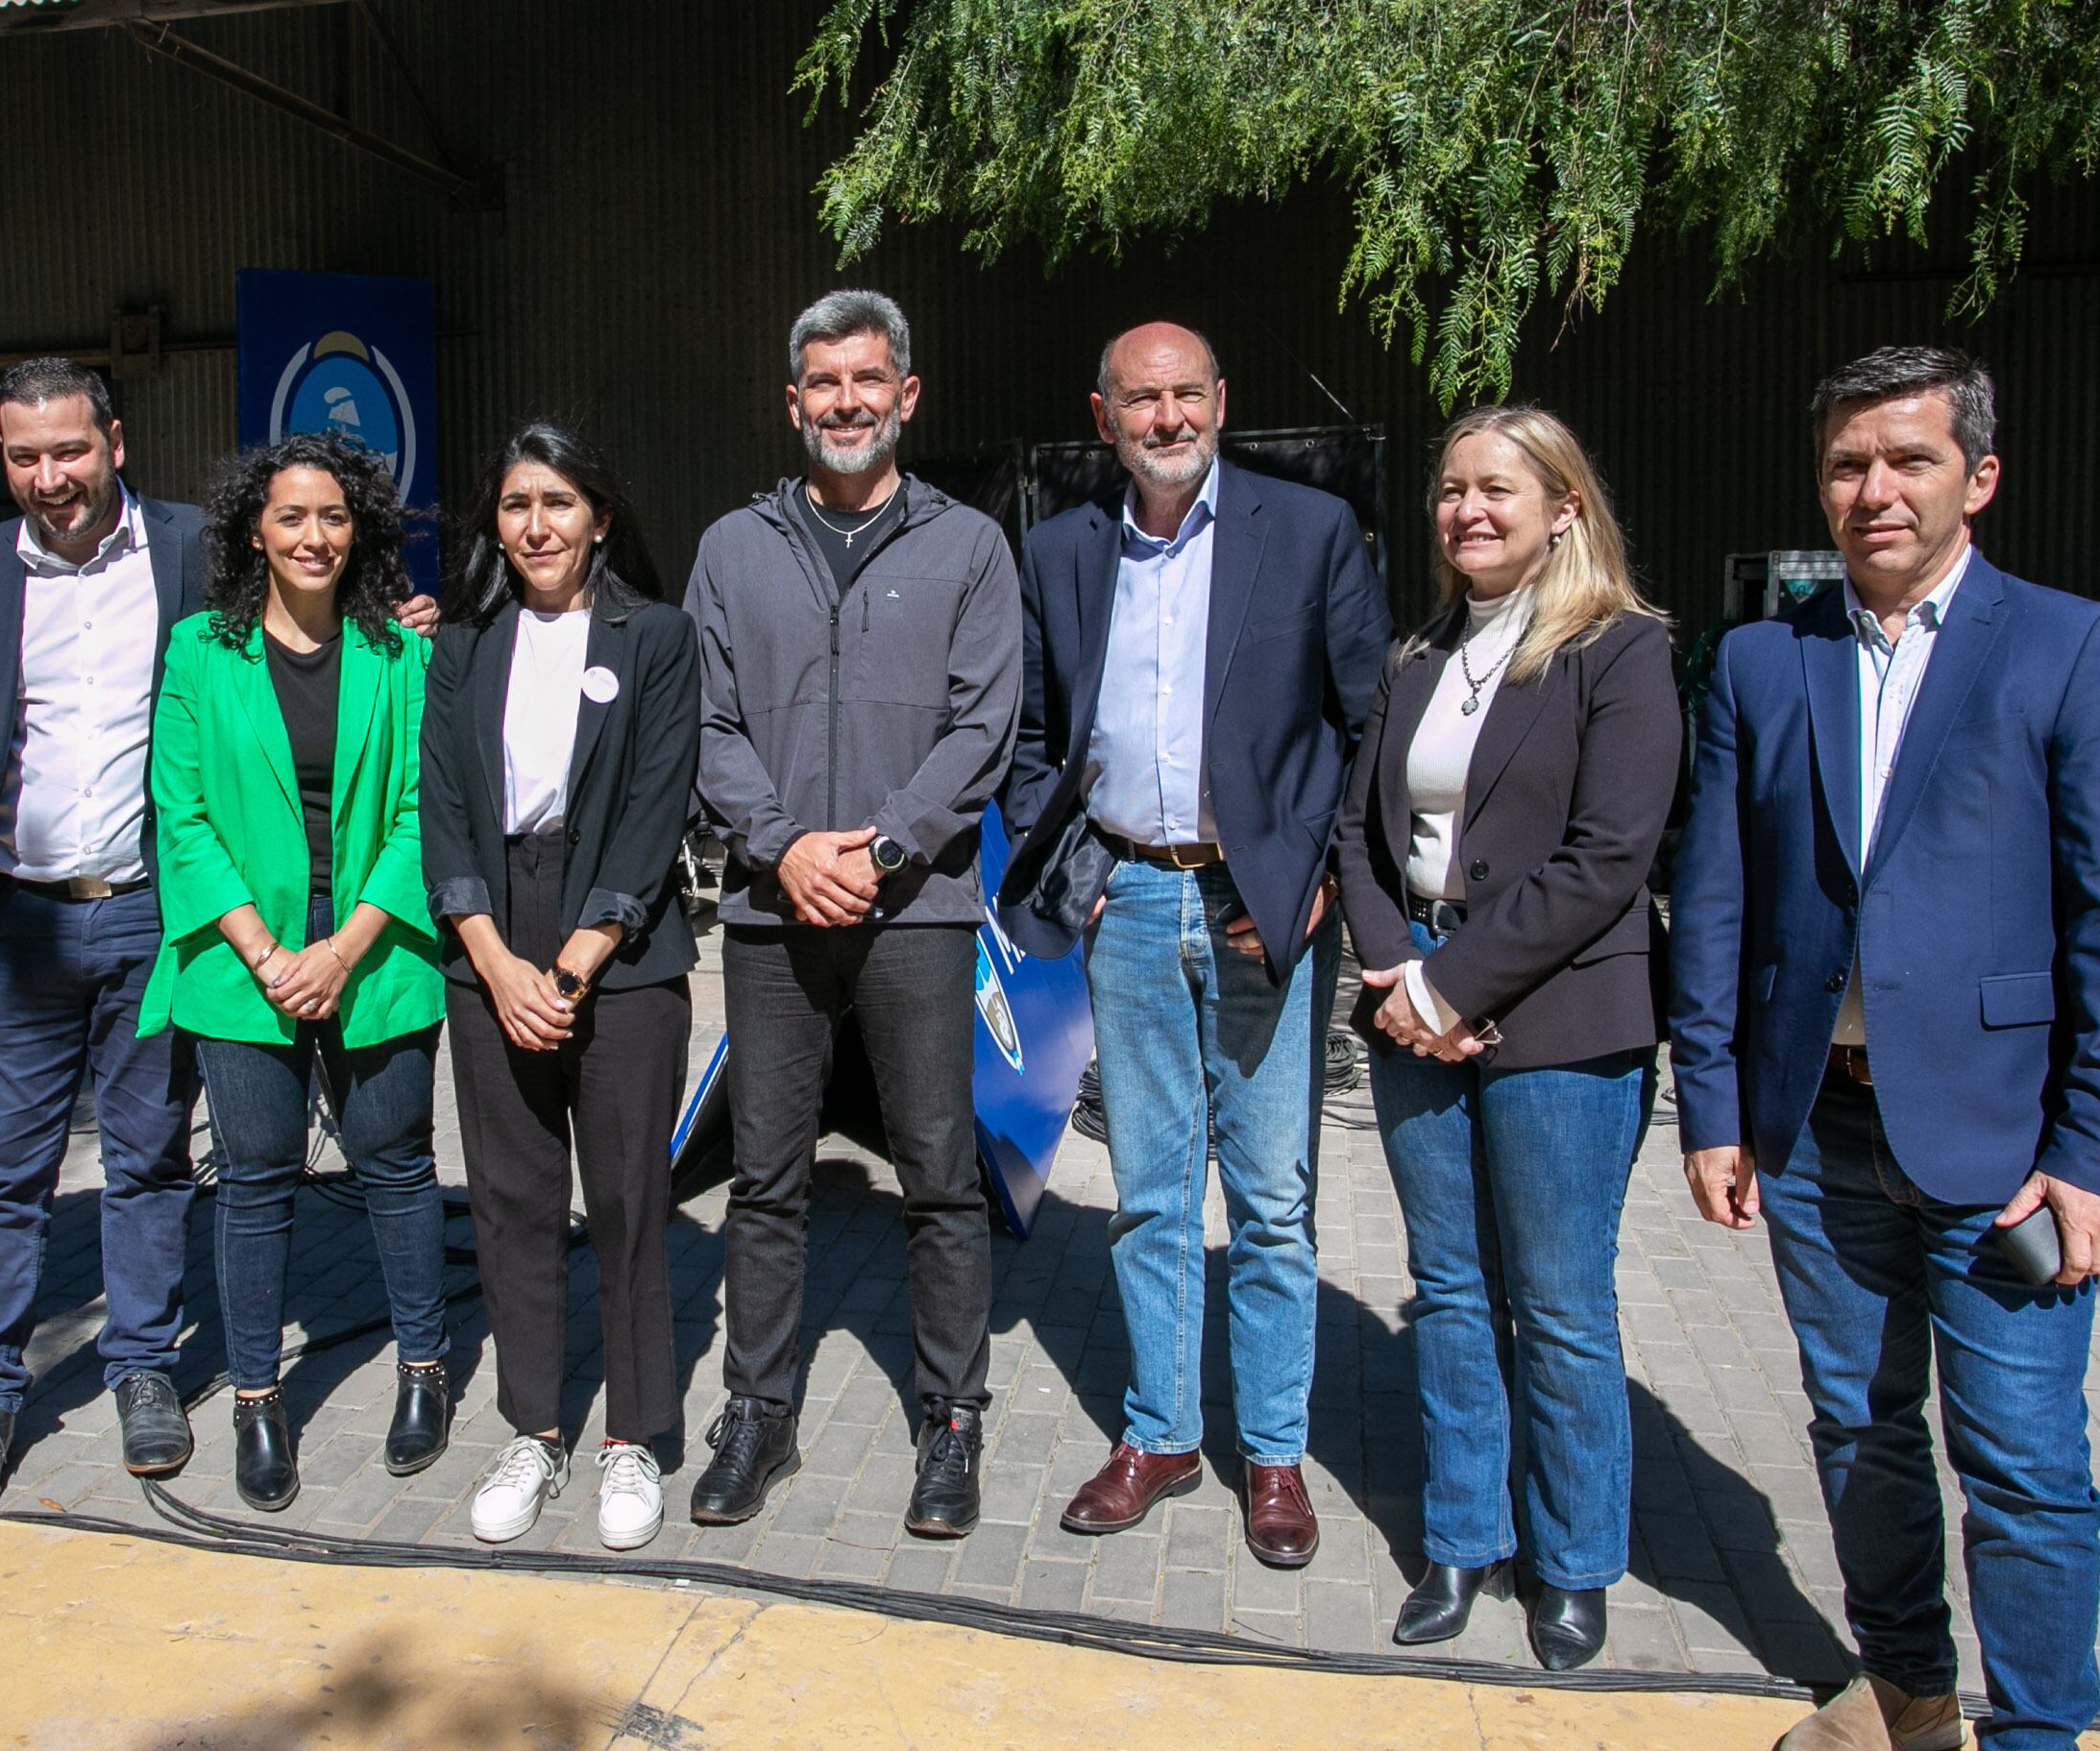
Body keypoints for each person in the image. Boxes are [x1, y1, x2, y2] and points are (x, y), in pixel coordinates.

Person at [1670, 347, 2100, 1751]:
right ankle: (1903, 1689)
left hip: (2012, 1146)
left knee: (2023, 1469)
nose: (1873, 492)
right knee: (1858, 1427)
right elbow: (1717, 904)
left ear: (1979, 477)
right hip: (1817, 1130)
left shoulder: (2075, 650)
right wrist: (1714, 1108)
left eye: (1905, 461)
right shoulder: (1768, 662)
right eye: (1845, 466)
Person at [999, 323, 1393, 1569]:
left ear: (1220, 401)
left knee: (1271, 1202)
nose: (1166, 417)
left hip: (1261, 908)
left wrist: (1325, 871)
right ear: (1103, 414)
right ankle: (1163, 1434)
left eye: (1185, 395)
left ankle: (1272, 1454)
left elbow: (1368, 719)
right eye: (1140, 399)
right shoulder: (1060, 552)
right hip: (1130, 901)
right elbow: (1026, 740)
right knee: (1151, 1197)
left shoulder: (1308, 531)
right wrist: (1075, 874)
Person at [1332, 405, 1678, 1667]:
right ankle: (1462, 1540)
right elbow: (1357, 834)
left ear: (1564, 509)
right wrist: (1396, 969)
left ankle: (1574, 1561)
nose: (1467, 510)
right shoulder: (1416, 652)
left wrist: (1451, 984)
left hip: (1564, 1018)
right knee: (1453, 1295)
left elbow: (1608, 860)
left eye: (1498, 490)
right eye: (1451, 490)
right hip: (1413, 995)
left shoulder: (1620, 652)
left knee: (1561, 1301)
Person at [689, 289, 1021, 1538]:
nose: (845, 402)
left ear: (907, 394)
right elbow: (708, 727)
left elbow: (982, 729)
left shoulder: (970, 548)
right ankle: (759, 1413)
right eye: (822, 384)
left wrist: (878, 850)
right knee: (768, 1177)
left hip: (919, 914)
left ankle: (952, 1421)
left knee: (938, 1174)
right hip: (775, 920)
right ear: (793, 402)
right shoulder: (733, 548)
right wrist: (785, 850)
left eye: (866, 381)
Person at [0, 358, 209, 1514]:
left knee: (145, 1159)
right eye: (26, 457)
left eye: (70, 450)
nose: (51, 477)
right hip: (17, 918)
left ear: (115, 442)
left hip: (149, 909)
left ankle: (143, 1366)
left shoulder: (189, 548)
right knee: (1, 1174)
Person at [143, 431, 448, 1511]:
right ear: (253, 530)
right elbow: (179, 817)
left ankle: (423, 1366)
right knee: (256, 1178)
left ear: (357, 526)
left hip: (375, 937)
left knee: (396, 1161)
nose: (313, 535)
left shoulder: (403, 656)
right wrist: (271, 953)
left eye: (332, 515)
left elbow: (423, 815)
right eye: (290, 517)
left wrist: (342, 946)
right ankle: (259, 1398)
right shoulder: (198, 651)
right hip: (243, 953)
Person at [420, 423, 700, 1549]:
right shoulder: (465, 643)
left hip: (620, 944)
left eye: (559, 501)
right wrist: (493, 958)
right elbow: (441, 803)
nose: (536, 524)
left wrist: (578, 960)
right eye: (516, 503)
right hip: (495, 922)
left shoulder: (657, 637)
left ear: (600, 515)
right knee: (513, 1196)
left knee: (629, 1196)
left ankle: (632, 1439)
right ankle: (534, 1426)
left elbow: (656, 802)